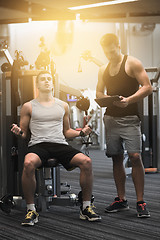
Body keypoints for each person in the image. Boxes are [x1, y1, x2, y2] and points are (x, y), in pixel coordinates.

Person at [11, 70, 101, 226]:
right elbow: (24, 134)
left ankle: (86, 207)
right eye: (43, 79)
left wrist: (81, 132)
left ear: (52, 83)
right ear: (37, 84)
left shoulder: (63, 105)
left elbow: (67, 131)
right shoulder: (28, 106)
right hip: (38, 145)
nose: (46, 81)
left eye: (49, 79)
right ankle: (31, 210)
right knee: (27, 163)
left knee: (86, 161)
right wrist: (19, 132)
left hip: (60, 144)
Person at [96, 33, 152, 218]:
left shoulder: (132, 63)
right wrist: (106, 99)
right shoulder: (103, 68)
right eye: (106, 52)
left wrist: (129, 100)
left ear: (118, 46)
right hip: (111, 118)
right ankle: (121, 199)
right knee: (116, 157)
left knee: (135, 156)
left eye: (112, 51)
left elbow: (147, 86)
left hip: (130, 119)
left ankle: (140, 201)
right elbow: (98, 90)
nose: (109, 55)